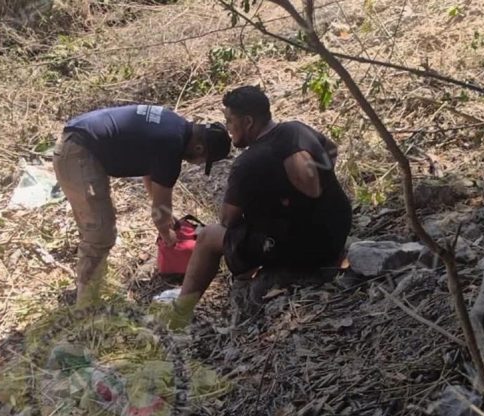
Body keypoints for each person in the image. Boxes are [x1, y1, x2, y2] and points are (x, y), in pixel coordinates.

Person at [165, 86, 352, 327]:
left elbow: (227, 220)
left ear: (248, 122)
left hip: (305, 250)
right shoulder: (298, 129)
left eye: (230, 121)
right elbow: (332, 150)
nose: (228, 128)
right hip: (337, 230)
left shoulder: (248, 163)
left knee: (208, 236)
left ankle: (179, 315)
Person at [54, 104, 232, 305]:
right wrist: (167, 235)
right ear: (199, 148)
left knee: (98, 229)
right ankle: (87, 306)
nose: (198, 163)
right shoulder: (172, 146)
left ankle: (88, 290)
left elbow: (150, 175)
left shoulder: (174, 126)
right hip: (79, 152)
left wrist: (165, 217)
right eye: (203, 160)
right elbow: (161, 208)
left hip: (78, 141)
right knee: (99, 234)